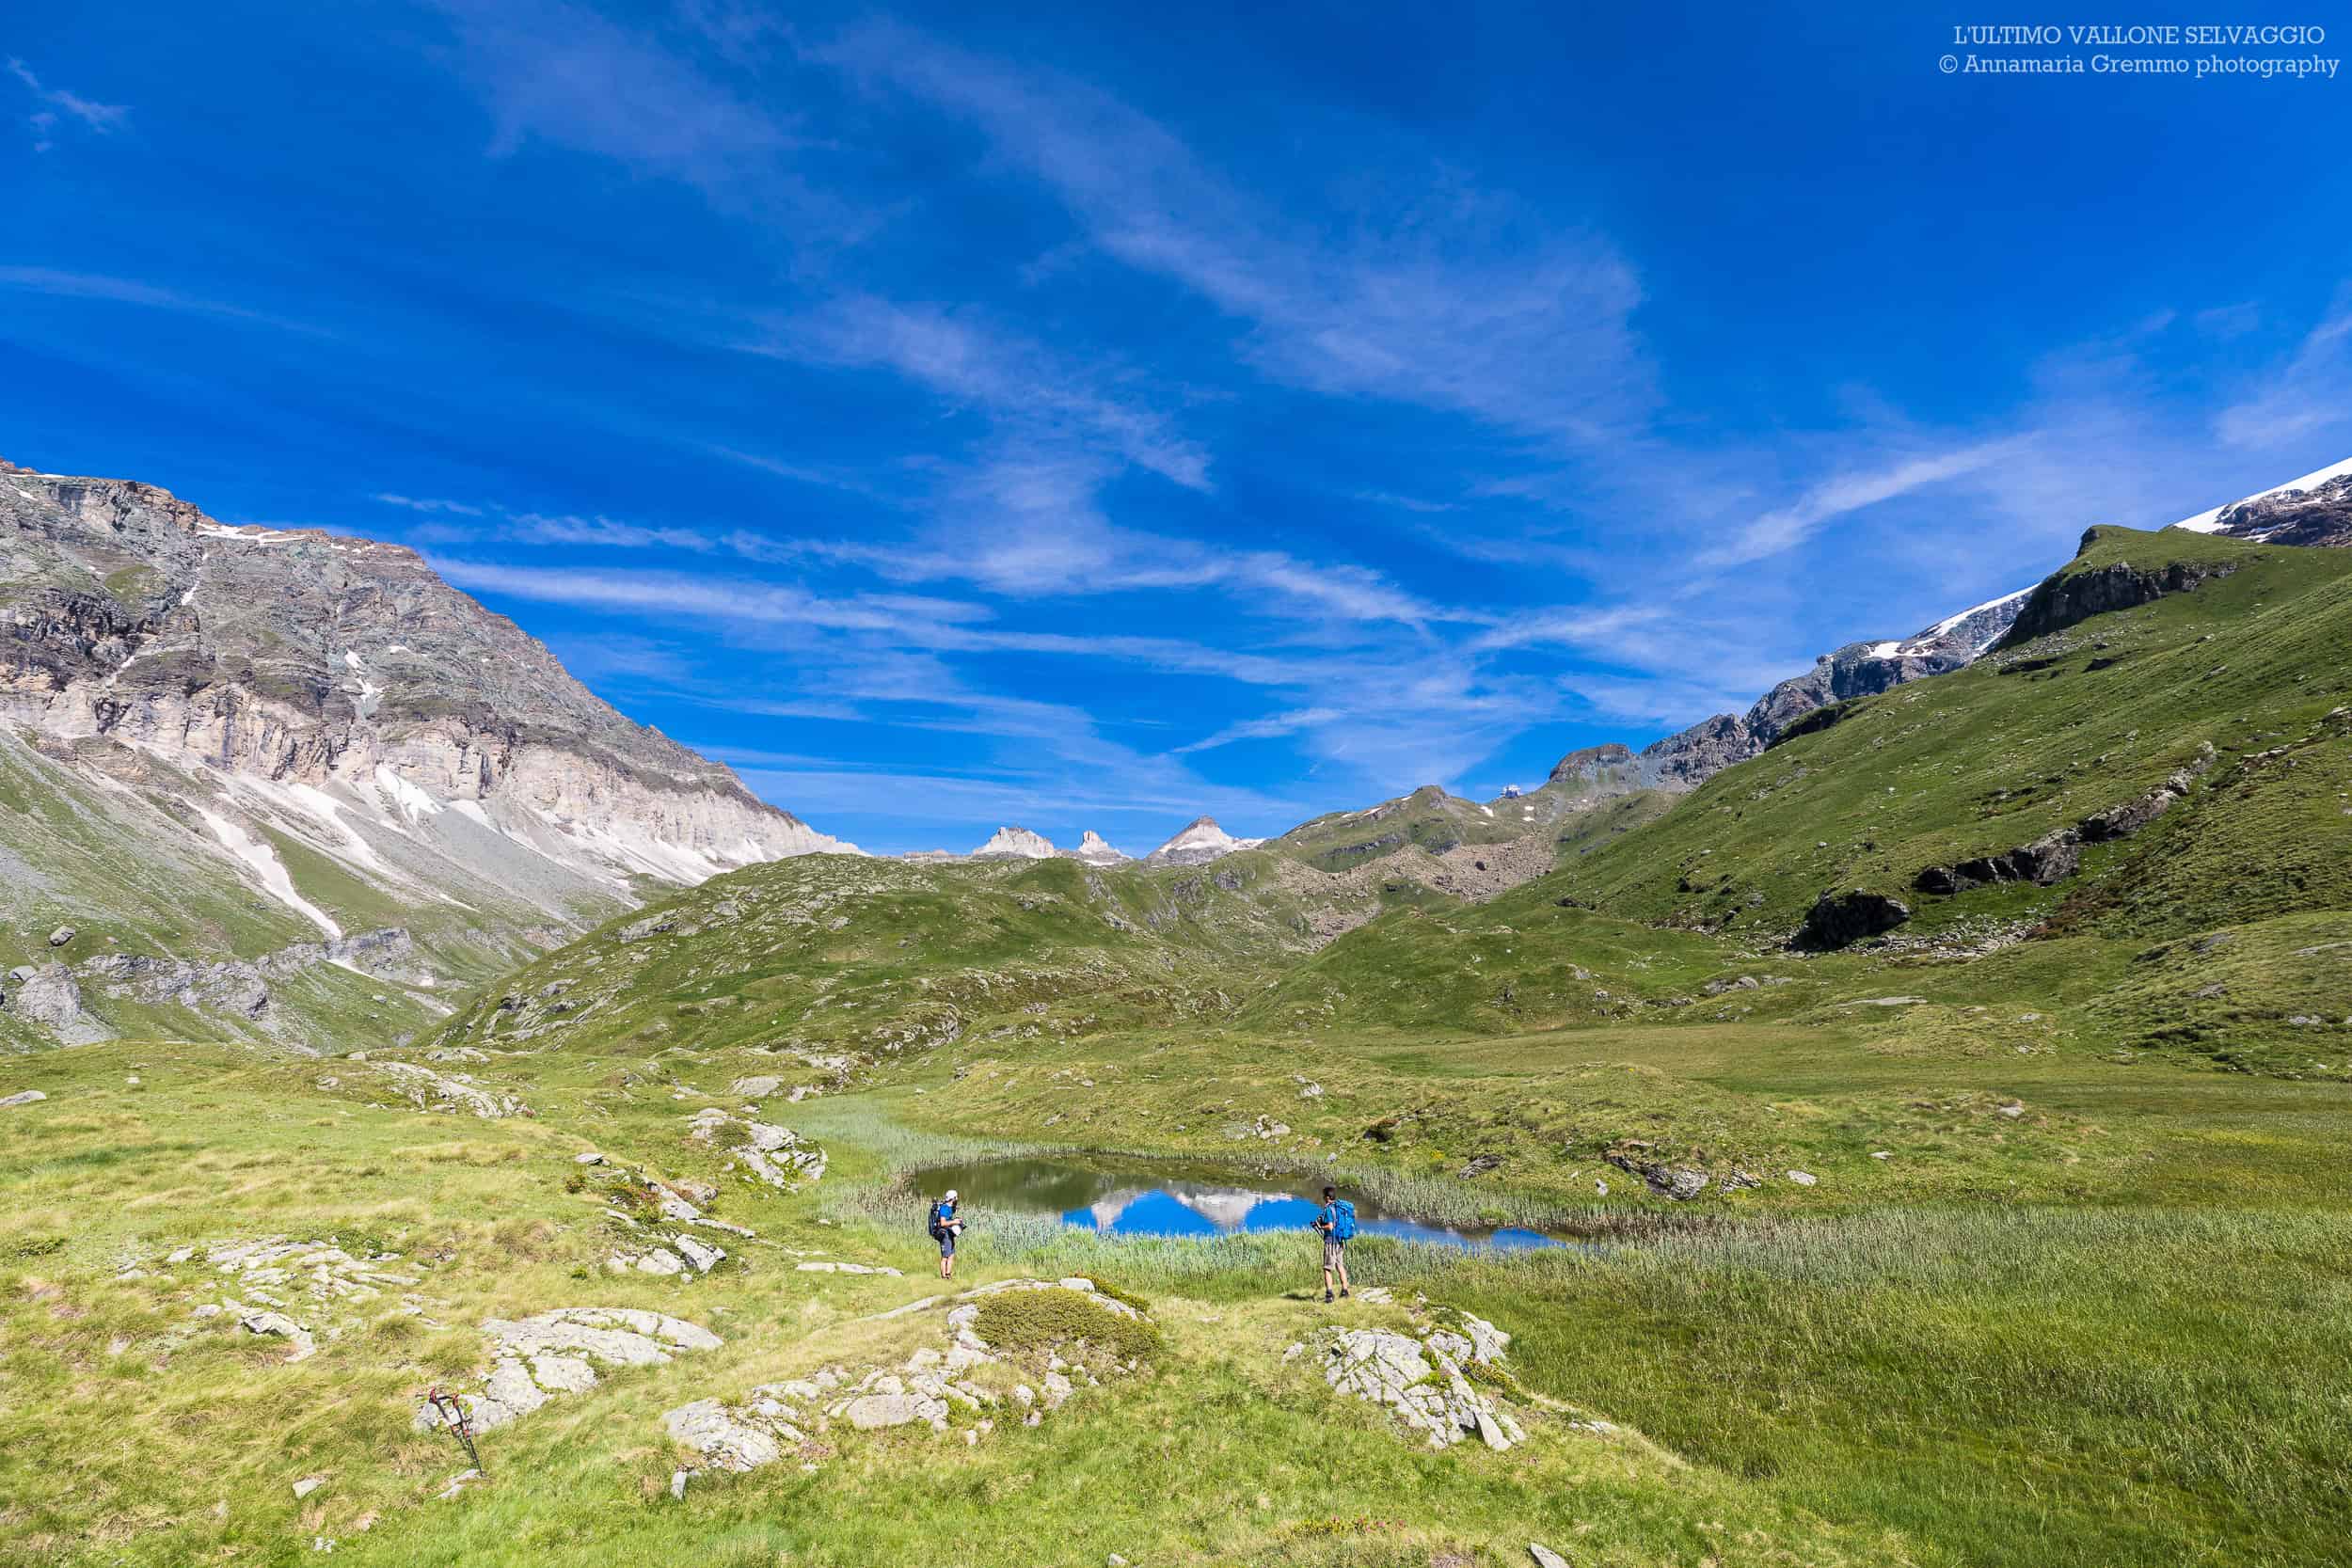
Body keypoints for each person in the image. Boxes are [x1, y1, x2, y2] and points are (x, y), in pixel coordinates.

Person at [1311, 1184, 1355, 1303]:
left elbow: (1330, 1227)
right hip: (1340, 1241)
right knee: (1340, 1266)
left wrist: (1320, 1226)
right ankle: (1345, 1291)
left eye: (1323, 1196)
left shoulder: (1328, 1209)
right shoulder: (1339, 1207)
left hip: (1331, 1242)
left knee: (1327, 1268)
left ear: (1326, 1197)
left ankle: (1329, 1294)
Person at [928, 1188, 963, 1279]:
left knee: (951, 1255)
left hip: (950, 1233)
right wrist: (954, 1222)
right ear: (953, 1198)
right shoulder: (944, 1209)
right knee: (945, 1257)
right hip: (944, 1234)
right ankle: (943, 1277)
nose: (957, 1199)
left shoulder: (950, 1208)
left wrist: (957, 1220)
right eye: (956, 1197)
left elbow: (950, 1217)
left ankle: (948, 1274)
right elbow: (943, 1223)